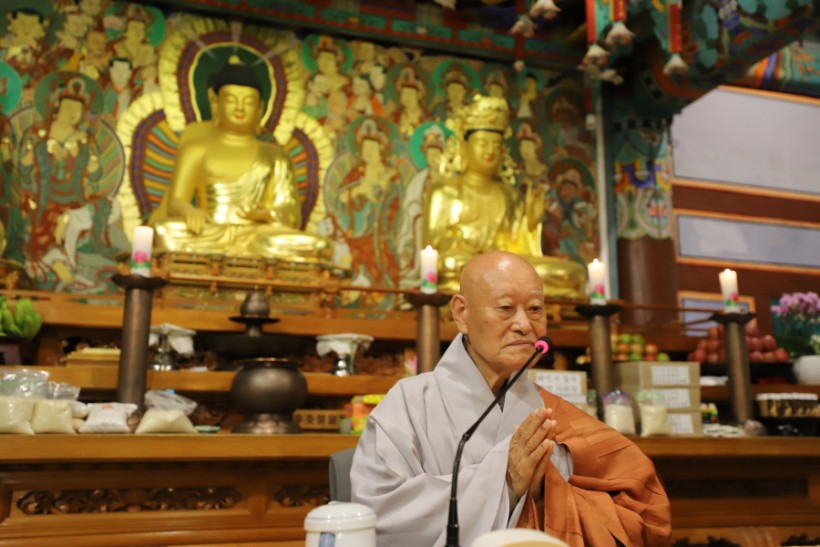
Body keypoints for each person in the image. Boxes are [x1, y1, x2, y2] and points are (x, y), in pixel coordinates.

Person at [350, 250, 672, 546]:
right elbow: (377, 515)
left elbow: (643, 504)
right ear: (461, 313)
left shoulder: (554, 415)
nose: (524, 325)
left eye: (535, 309)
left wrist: (546, 493)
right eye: (506, 308)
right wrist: (504, 481)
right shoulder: (408, 404)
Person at [149, 56, 332, 263]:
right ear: (216, 104)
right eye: (231, 100)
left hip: (257, 233)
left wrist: (268, 214)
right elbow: (176, 201)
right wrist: (189, 211)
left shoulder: (276, 156)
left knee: (318, 246)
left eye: (248, 102)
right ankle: (237, 252)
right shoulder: (195, 149)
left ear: (260, 109)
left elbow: (290, 212)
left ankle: (235, 252)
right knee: (163, 231)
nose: (239, 108)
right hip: (210, 232)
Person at [422, 94, 586, 298]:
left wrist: (531, 225)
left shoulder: (510, 195)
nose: (490, 150)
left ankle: (508, 292)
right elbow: (433, 244)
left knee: (572, 273)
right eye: (482, 143)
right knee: (450, 264)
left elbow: (520, 250)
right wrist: (465, 243)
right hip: (465, 263)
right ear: (464, 146)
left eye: (497, 144)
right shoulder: (444, 190)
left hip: (505, 268)